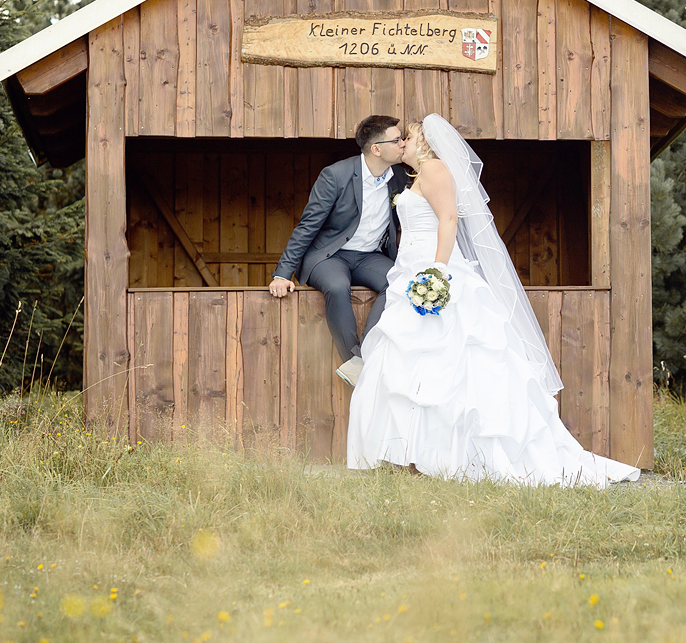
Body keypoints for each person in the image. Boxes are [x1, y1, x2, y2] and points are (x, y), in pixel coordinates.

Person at [347, 114, 640, 487]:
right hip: (409, 272)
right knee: (409, 364)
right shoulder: (416, 177)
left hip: (433, 272)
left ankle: (451, 455)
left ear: (424, 142)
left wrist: (438, 272)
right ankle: (412, 453)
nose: (403, 143)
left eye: (408, 137)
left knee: (449, 362)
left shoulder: (435, 170)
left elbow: (449, 219)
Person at [269, 115, 413, 386]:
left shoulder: (401, 176)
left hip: (370, 256)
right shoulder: (335, 175)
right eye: (397, 140)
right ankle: (354, 365)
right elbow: (307, 226)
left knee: (398, 282)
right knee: (336, 287)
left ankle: (364, 356)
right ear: (377, 149)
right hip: (330, 255)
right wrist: (282, 273)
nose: (403, 144)